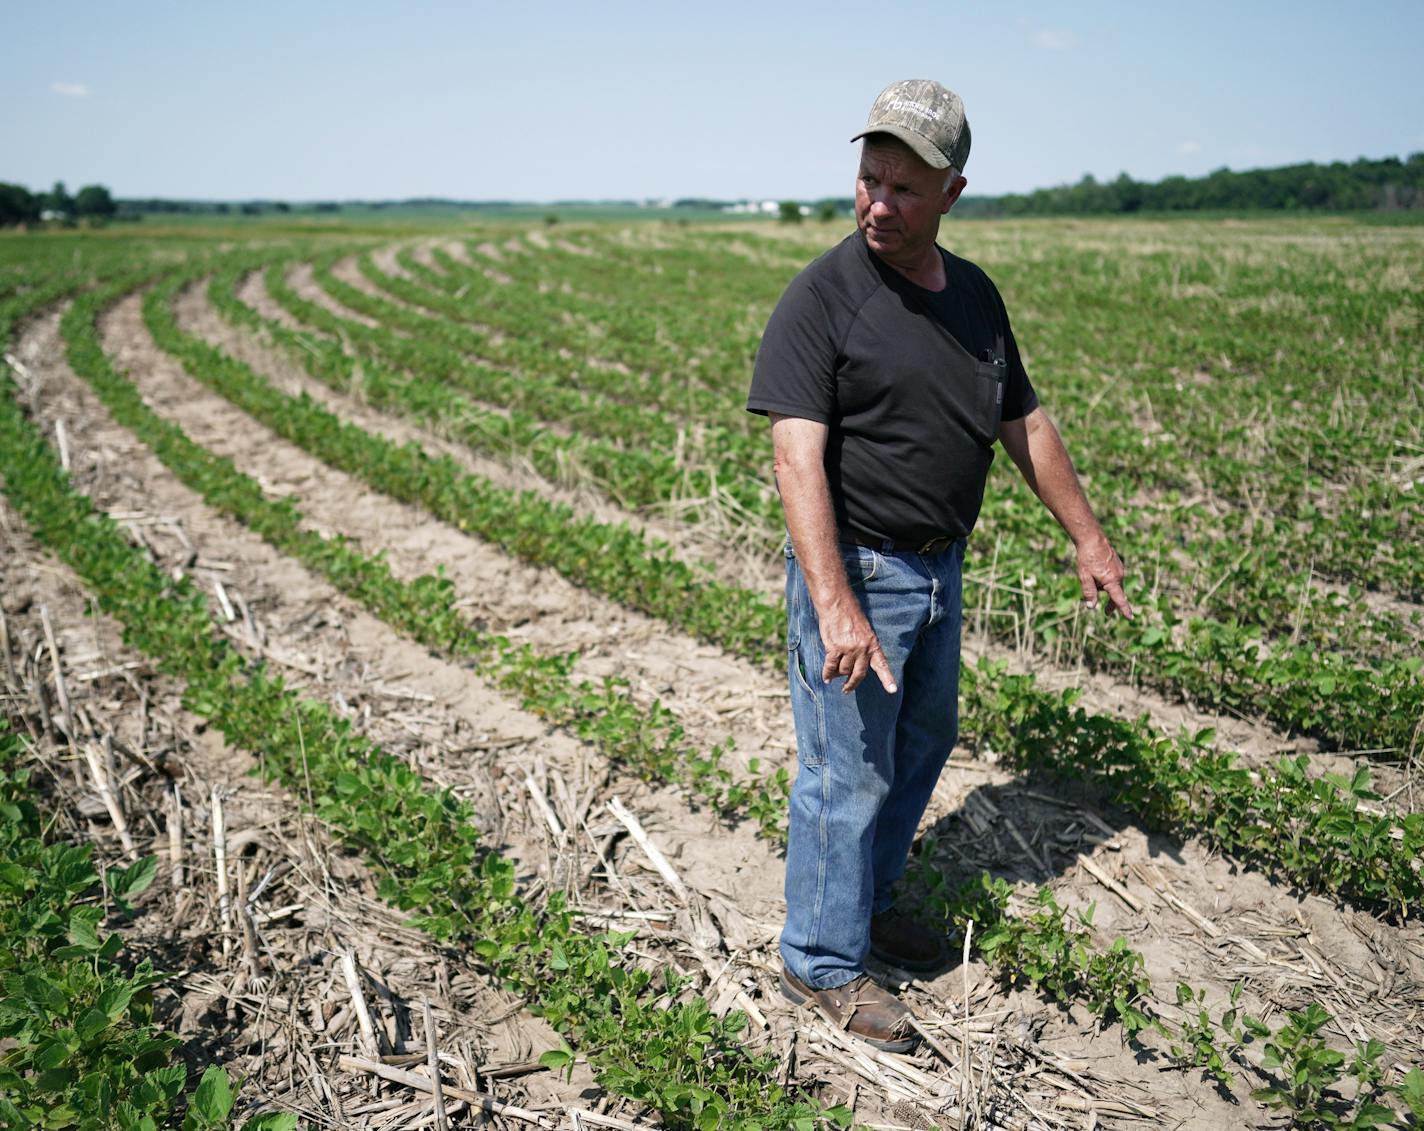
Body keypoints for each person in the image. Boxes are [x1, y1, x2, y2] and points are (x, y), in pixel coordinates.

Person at [746, 79, 1132, 1053]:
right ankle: (819, 962)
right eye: (867, 179)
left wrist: (1084, 535)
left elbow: (1024, 422)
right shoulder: (820, 298)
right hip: (856, 574)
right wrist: (834, 606)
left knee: (920, 742)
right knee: (845, 771)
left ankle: (865, 907)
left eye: (903, 189)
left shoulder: (971, 297)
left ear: (952, 193)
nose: (876, 202)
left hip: (935, 572)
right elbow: (795, 460)